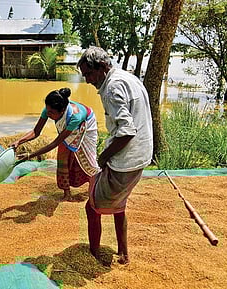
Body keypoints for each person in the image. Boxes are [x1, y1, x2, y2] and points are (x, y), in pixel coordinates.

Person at [77, 46, 153, 265]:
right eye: (84, 76)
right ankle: (123, 253)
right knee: (119, 204)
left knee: (92, 207)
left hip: (125, 159)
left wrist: (103, 156)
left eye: (89, 74)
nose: (88, 81)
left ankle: (93, 257)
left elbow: (127, 131)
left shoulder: (112, 88)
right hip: (140, 155)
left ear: (102, 67)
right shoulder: (128, 78)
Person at [11, 87, 100, 201]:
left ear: (62, 111)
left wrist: (29, 156)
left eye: (51, 112)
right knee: (62, 157)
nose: (48, 114)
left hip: (85, 127)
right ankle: (67, 194)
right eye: (47, 110)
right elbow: (36, 132)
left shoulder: (75, 117)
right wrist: (19, 141)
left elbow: (55, 143)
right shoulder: (49, 110)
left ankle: (95, 189)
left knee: (88, 161)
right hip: (68, 128)